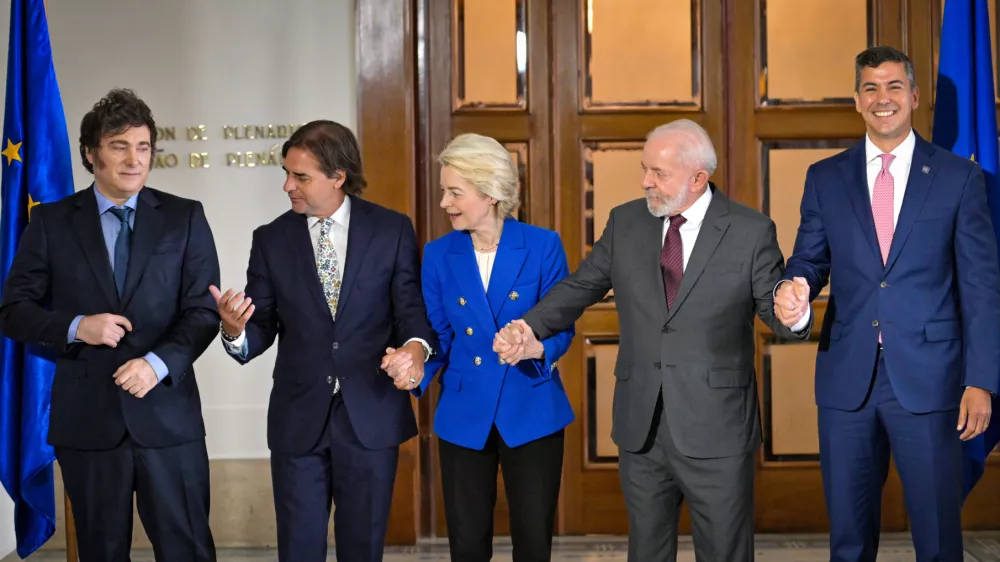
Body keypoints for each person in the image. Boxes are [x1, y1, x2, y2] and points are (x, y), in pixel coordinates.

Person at [494, 119, 807, 561]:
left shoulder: (750, 230)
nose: (646, 182)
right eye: (645, 169)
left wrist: (793, 311)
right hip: (642, 424)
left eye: (658, 174)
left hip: (716, 427)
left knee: (724, 552)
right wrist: (530, 327)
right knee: (647, 551)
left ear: (698, 178)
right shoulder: (626, 222)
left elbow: (770, 305)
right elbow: (582, 285)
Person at [774, 46, 1000, 561]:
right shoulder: (825, 178)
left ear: (915, 97)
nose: (883, 98)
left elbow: (982, 289)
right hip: (846, 380)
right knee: (849, 542)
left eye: (894, 86)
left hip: (933, 380)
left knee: (939, 540)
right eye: (871, 88)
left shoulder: (958, 178)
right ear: (856, 100)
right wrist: (798, 288)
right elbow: (809, 260)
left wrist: (981, 380)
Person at [0, 88, 220, 560]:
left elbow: (202, 313)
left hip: (168, 420)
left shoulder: (184, 217)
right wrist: (79, 326)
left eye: (143, 147)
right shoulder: (51, 223)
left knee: (189, 551)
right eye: (120, 146)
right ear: (90, 153)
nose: (134, 160)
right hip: (88, 425)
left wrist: (156, 365)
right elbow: (14, 311)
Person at [209, 119, 436, 562]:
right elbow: (263, 325)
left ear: (338, 176)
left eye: (300, 176)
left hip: (370, 416)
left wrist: (414, 351)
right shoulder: (271, 239)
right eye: (286, 173)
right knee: (298, 550)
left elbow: (411, 312)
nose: (287, 186)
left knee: (362, 550)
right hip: (298, 421)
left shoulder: (391, 230)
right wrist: (235, 332)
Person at [386, 133, 574, 561]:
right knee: (467, 546)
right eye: (443, 191)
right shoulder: (437, 254)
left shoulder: (542, 245)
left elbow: (562, 326)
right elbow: (438, 336)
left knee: (532, 544)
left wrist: (535, 348)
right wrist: (414, 364)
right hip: (464, 414)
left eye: (455, 192)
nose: (444, 203)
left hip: (532, 411)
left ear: (489, 193)